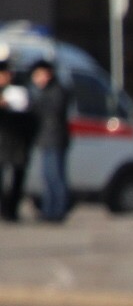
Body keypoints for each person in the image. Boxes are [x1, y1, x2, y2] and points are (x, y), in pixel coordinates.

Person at [28, 59, 70, 223]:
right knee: (47, 177)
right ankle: (49, 210)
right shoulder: (46, 91)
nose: (37, 78)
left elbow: (52, 111)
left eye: (40, 75)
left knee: (55, 177)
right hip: (46, 139)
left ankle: (57, 211)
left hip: (55, 139)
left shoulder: (57, 90)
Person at [0, 59, 34, 222]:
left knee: (16, 177)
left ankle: (11, 210)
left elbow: (25, 111)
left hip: (16, 142)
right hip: (3, 141)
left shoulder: (18, 92)